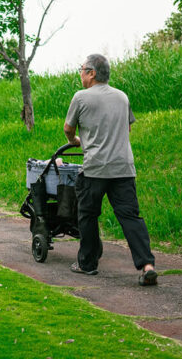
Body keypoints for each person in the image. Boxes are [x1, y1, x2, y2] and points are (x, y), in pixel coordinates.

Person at [64, 53, 158, 286]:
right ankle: (147, 265)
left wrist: (77, 141)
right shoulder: (122, 97)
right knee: (130, 217)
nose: (80, 73)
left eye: (82, 68)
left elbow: (68, 128)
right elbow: (126, 129)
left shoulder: (81, 97)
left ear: (92, 73)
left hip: (95, 168)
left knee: (87, 215)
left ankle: (87, 264)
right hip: (123, 168)